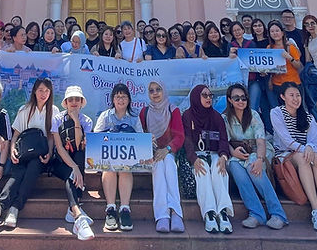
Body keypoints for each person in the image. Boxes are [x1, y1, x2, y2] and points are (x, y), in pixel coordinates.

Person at [0, 78, 59, 229]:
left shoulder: (54, 111)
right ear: (34, 91)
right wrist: (13, 150)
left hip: (41, 155)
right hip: (24, 152)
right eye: (40, 90)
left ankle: (15, 208)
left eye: (46, 91)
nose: (43, 94)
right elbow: (16, 135)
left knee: (33, 167)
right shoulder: (25, 109)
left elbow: (51, 137)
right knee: (18, 172)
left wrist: (50, 153)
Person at [271, 81, 317, 232]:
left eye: (298, 95)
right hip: (284, 154)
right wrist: (308, 150)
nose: (295, 99)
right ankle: (316, 210)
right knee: (305, 158)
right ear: (283, 97)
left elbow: (314, 141)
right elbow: (287, 141)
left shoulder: (308, 117)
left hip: (305, 153)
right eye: (291, 95)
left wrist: (311, 149)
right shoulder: (277, 113)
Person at [222, 83, 287, 230]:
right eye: (236, 98)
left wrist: (259, 159)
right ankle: (256, 214)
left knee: (253, 165)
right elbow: (225, 141)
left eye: (243, 98)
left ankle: (278, 213)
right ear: (230, 100)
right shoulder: (225, 118)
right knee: (234, 166)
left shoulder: (253, 115)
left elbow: (261, 142)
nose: (240, 101)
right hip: (238, 153)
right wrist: (233, 152)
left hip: (258, 151)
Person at [183, 84, 234, 233]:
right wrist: (193, 159)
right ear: (196, 97)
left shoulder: (216, 116)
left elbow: (223, 139)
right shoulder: (187, 116)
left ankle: (223, 213)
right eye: (204, 95)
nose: (208, 98)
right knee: (202, 171)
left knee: (219, 170)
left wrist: (223, 156)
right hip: (197, 155)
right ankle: (209, 213)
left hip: (215, 153)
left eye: (210, 95)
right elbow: (187, 141)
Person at [47, 85, 95, 240]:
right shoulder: (57, 119)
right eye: (71, 99)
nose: (74, 102)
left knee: (79, 156)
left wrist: (75, 120)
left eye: (77, 99)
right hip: (60, 162)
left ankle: (74, 212)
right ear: (66, 103)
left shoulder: (86, 121)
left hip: (76, 160)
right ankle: (78, 215)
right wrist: (75, 168)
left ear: (81, 102)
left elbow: (79, 144)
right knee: (72, 172)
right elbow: (59, 148)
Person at [95, 83, 143, 231]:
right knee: (109, 168)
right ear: (113, 99)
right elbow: (96, 137)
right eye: (117, 96)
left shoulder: (134, 118)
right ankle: (110, 209)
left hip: (127, 159)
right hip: (107, 158)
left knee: (125, 168)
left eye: (124, 96)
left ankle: (124, 209)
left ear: (129, 100)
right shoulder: (105, 116)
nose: (121, 100)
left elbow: (140, 139)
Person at [139, 80, 186, 233]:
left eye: (158, 89)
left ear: (164, 90)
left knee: (169, 164)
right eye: (151, 90)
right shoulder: (144, 112)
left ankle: (176, 212)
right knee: (158, 166)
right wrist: (149, 145)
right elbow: (141, 135)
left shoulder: (173, 110)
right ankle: (162, 215)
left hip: (170, 152)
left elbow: (179, 136)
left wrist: (167, 149)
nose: (155, 93)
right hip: (152, 153)